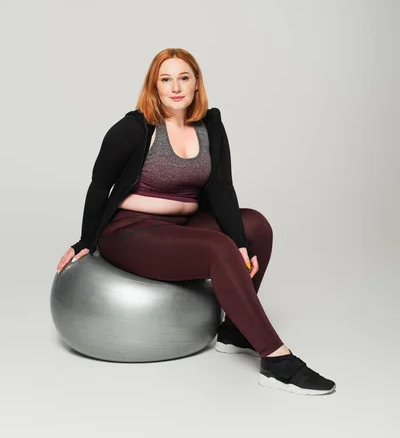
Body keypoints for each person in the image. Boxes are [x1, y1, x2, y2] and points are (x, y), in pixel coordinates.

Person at [56, 47, 336, 396]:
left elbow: (222, 189)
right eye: (166, 79)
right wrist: (85, 241)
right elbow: (100, 185)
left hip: (180, 227)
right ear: (154, 86)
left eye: (184, 77)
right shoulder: (135, 128)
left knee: (255, 226)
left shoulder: (211, 127)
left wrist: (242, 243)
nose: (176, 87)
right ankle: (277, 361)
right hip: (130, 232)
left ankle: (235, 332)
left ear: (196, 83)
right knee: (220, 247)